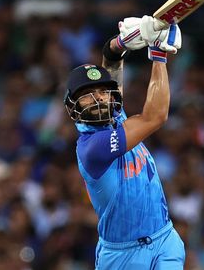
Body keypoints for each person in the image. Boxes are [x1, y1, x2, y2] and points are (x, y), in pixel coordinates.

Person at [63, 15, 185, 269]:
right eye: (87, 96)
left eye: (101, 92)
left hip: (165, 238)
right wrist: (158, 54)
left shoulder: (116, 115)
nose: (98, 100)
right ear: (73, 107)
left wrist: (122, 42)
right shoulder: (91, 148)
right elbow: (156, 116)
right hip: (123, 256)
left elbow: (110, 60)